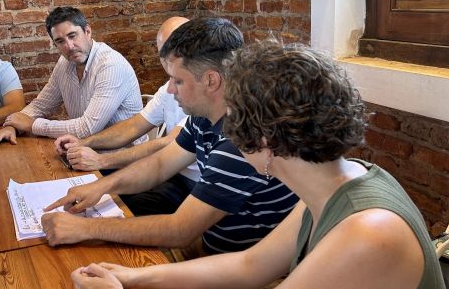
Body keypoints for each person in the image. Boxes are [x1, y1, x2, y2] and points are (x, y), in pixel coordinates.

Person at [70, 43, 449, 289]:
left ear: (262, 139)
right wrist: (134, 278)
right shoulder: (336, 180)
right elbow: (250, 264)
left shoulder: (368, 234)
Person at [42, 18, 298, 259]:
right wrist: (101, 187)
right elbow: (160, 164)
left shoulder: (239, 141)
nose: (170, 89)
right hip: (213, 248)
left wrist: (85, 228)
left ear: (211, 80)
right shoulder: (204, 116)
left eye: (178, 80)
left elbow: (179, 230)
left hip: (240, 265)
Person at [53, 16, 200, 216]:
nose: (169, 59)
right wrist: (84, 143)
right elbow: (134, 126)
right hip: (172, 175)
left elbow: (169, 145)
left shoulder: (202, 94)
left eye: (178, 49)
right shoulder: (170, 87)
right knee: (104, 201)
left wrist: (101, 161)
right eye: (164, 52)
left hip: (193, 184)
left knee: (112, 208)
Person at [0, 7, 142, 148]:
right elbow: (41, 105)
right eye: (60, 41)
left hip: (124, 158)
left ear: (87, 32)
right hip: (84, 150)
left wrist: (32, 124)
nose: (69, 46)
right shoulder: (65, 62)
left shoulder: (110, 65)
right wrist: (14, 126)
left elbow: (87, 128)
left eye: (73, 36)